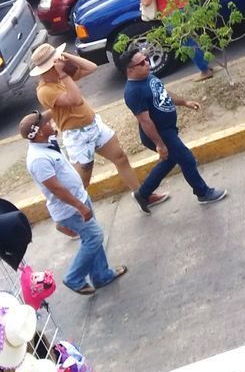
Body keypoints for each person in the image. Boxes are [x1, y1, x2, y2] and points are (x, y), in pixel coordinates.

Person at [28, 42, 165, 213]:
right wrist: (64, 74)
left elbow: (92, 67)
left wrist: (68, 57)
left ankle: (142, 195)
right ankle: (72, 216)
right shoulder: (46, 90)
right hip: (77, 136)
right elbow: (75, 100)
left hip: (93, 125)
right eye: (55, 61)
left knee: (120, 158)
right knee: (81, 182)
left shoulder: (61, 76)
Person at [20, 109, 127, 295]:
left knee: (90, 237)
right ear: (37, 132)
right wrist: (80, 206)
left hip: (79, 197)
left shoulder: (46, 141)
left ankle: (101, 275)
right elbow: (56, 188)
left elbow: (51, 114)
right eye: (45, 123)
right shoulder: (38, 159)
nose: (50, 123)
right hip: (70, 208)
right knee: (94, 237)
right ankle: (74, 278)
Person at [120, 46, 227, 208]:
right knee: (186, 159)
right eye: (142, 63)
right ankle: (203, 193)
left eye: (147, 59)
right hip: (160, 134)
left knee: (169, 161)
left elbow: (163, 92)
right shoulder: (133, 92)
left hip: (168, 129)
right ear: (130, 70)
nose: (147, 63)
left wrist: (184, 102)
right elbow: (145, 121)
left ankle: (143, 195)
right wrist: (160, 145)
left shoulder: (147, 76)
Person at [140, 0, 215, 79]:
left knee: (186, 42)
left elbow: (146, 1)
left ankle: (204, 70)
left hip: (170, 14)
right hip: (185, 8)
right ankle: (206, 64)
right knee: (193, 37)